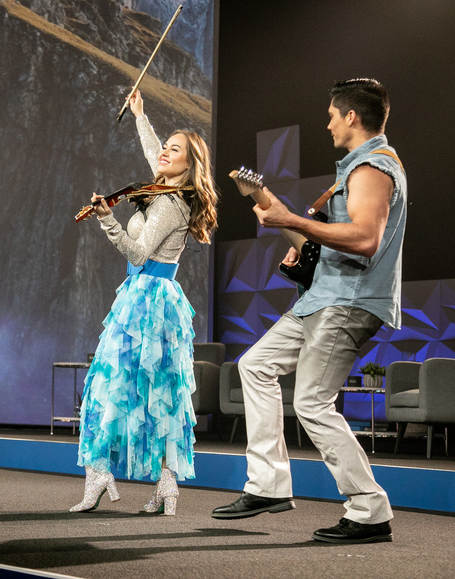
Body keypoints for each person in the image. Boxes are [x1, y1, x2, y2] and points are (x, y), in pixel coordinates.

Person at [211, 78, 405, 544]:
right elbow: (321, 245)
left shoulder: (374, 167)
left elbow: (364, 239)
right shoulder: (355, 169)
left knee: (312, 402)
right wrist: (273, 211)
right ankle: (269, 485)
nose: (328, 123)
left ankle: (369, 510)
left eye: (333, 115)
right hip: (322, 298)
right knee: (255, 366)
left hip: (348, 302)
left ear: (352, 117)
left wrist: (292, 220)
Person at [70, 90, 218, 515]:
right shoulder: (168, 190)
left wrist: (107, 221)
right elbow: (155, 152)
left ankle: (100, 473)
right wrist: (140, 116)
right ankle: (164, 486)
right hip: (154, 299)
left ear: (189, 163)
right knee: (157, 394)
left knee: (110, 386)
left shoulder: (170, 204)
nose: (164, 154)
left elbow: (138, 253)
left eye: (175, 151)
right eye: (166, 147)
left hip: (145, 299)